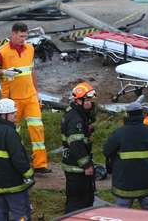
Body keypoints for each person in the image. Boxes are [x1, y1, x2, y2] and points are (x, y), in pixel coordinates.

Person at [0, 23, 50, 173]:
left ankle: (40, 164)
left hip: (30, 97)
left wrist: (37, 92)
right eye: (21, 36)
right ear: (13, 34)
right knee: (14, 133)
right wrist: (3, 72)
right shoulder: (2, 52)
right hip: (12, 100)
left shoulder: (30, 49)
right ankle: (18, 162)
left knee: (37, 128)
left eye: (25, 36)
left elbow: (31, 71)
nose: (23, 39)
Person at [0, 98, 34, 221]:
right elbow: (18, 158)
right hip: (12, 183)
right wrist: (29, 173)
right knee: (20, 213)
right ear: (4, 115)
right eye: (12, 113)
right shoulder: (9, 132)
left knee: (0, 211)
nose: (15, 115)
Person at [103, 102, 148, 211]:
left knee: (121, 214)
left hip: (124, 183)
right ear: (142, 114)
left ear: (128, 115)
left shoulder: (119, 133)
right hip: (146, 182)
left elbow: (106, 151)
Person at [61, 82, 97, 214]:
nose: (90, 103)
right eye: (87, 100)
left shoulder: (76, 113)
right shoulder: (76, 119)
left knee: (85, 199)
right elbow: (76, 144)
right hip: (76, 168)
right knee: (78, 202)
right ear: (78, 100)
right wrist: (86, 165)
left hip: (74, 165)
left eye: (90, 100)